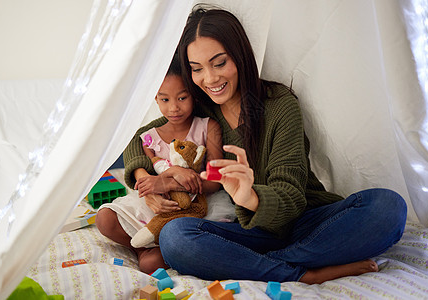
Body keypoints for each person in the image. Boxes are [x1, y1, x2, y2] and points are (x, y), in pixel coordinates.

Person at [124, 7, 408, 284]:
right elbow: (139, 138)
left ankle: (263, 263)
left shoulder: (279, 104)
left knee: (387, 208)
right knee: (176, 237)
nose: (209, 79)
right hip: (248, 233)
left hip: (305, 221)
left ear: (239, 56)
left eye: (219, 63)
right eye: (197, 69)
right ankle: (305, 272)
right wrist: (145, 178)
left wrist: (249, 196)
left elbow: (293, 197)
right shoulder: (199, 112)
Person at [95, 51, 223, 274]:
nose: (173, 107)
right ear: (155, 98)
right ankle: (144, 247)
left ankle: (153, 250)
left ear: (193, 95)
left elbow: (215, 182)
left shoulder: (207, 127)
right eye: (164, 99)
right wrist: (164, 178)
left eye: (182, 98)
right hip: (157, 208)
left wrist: (172, 182)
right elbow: (147, 183)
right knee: (104, 218)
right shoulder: (149, 136)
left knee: (150, 264)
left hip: (195, 207)